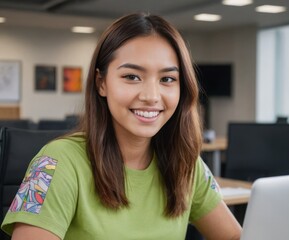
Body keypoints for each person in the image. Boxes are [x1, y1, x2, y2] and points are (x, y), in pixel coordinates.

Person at [1, 13, 242, 240]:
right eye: (132, 77)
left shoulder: (186, 164)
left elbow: (234, 236)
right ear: (101, 83)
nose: (151, 95)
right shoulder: (56, 163)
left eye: (167, 79)